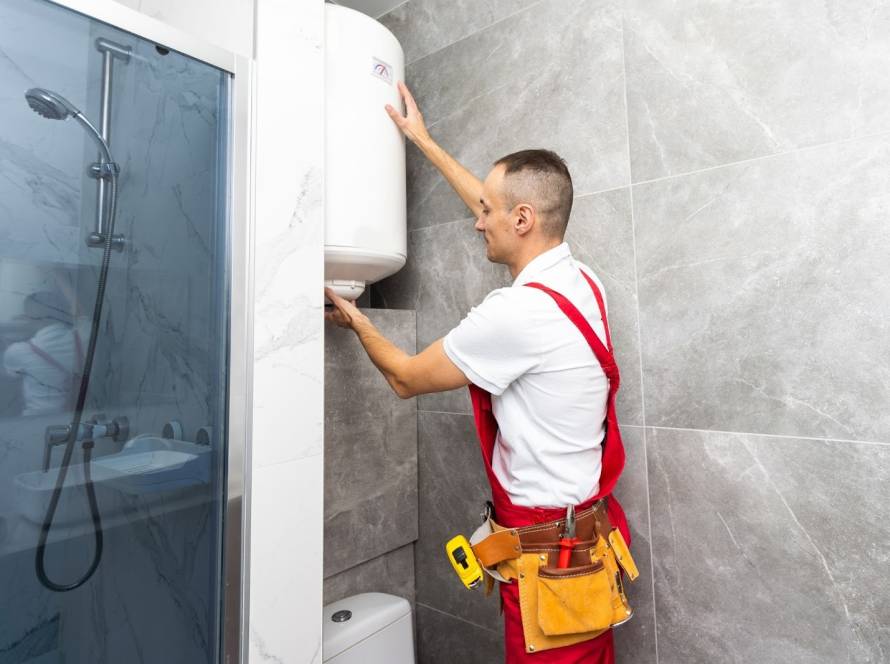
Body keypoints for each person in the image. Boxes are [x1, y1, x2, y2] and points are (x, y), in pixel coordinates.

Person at [324, 82, 632, 664]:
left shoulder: (517, 313)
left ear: (522, 218)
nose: (476, 222)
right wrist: (422, 140)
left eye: (487, 212)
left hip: (551, 565)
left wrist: (355, 319)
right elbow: (494, 208)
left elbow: (406, 379)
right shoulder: (582, 282)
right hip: (584, 546)